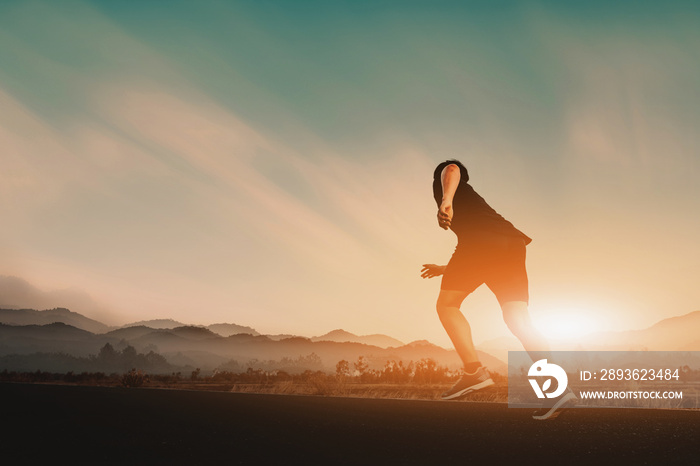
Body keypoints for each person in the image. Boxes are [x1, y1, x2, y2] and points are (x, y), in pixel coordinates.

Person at [421, 159, 575, 420]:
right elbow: (481, 259)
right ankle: (556, 390)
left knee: (447, 305)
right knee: (518, 320)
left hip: (480, 245)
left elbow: (452, 170)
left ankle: (473, 373)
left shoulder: (448, 181)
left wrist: (445, 199)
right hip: (510, 244)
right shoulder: (474, 205)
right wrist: (446, 268)